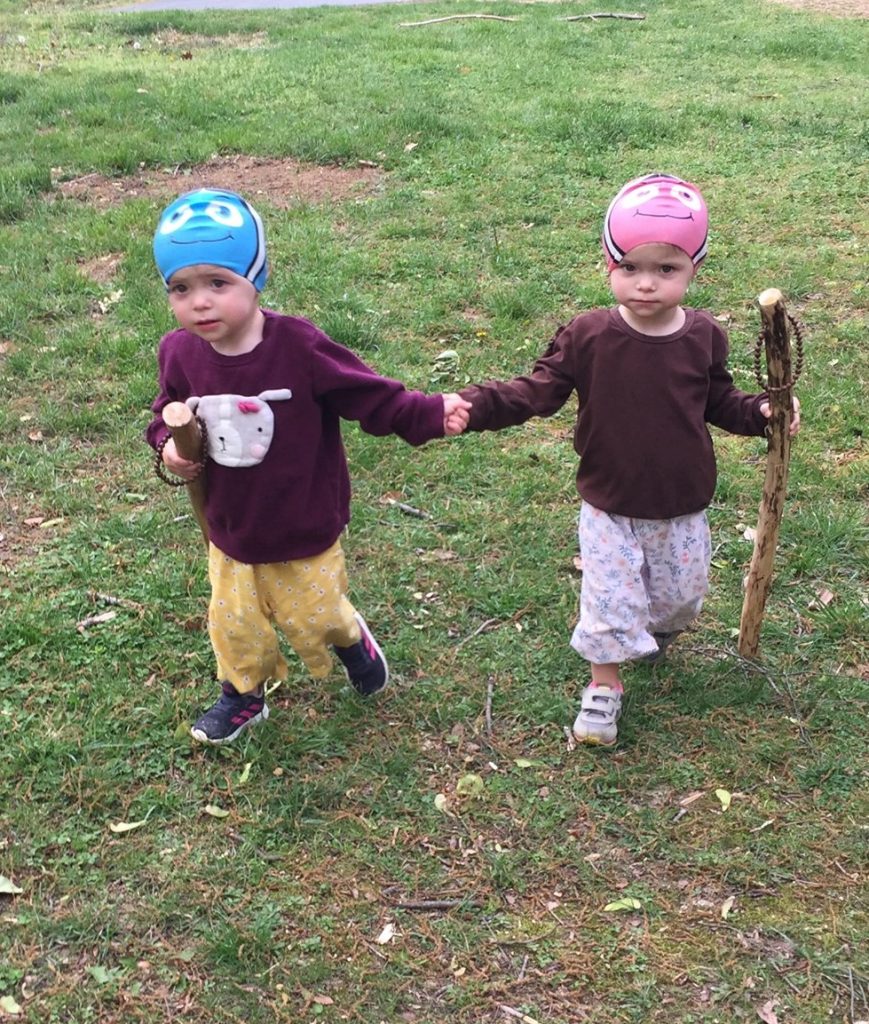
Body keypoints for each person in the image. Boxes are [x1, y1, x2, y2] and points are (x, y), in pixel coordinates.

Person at [459, 173, 800, 747]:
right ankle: (604, 686)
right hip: (609, 503)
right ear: (608, 264)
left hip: (682, 503)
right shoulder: (587, 335)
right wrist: (471, 406)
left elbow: (719, 400)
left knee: (679, 601)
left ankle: (656, 632)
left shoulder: (703, 336)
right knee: (612, 602)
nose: (646, 284)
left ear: (695, 269)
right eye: (631, 268)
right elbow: (535, 391)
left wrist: (762, 412)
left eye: (666, 269)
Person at [146, 188, 471, 745]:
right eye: (181, 288)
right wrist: (167, 448)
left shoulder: (299, 347)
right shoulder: (179, 352)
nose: (199, 302)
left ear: (257, 278)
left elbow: (367, 395)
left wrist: (424, 414)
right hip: (229, 523)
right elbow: (165, 412)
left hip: (303, 517)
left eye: (217, 283)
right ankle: (242, 695)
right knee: (233, 623)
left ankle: (350, 640)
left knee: (314, 614)